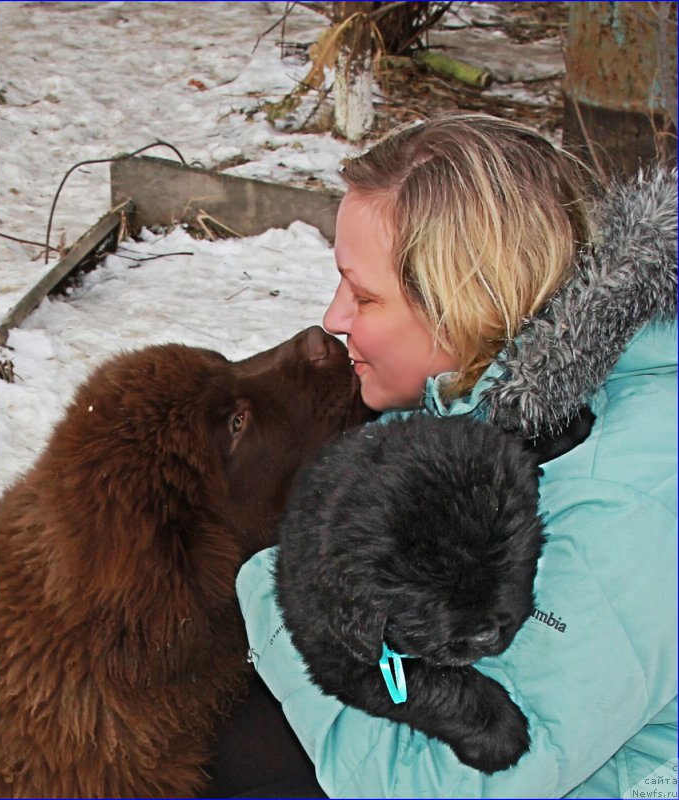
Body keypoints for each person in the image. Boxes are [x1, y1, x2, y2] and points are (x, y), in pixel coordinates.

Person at [213, 114, 678, 798]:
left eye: (363, 294)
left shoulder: (618, 502)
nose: (334, 318)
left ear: (461, 303)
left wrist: (273, 588)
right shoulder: (496, 406)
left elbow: (444, 787)